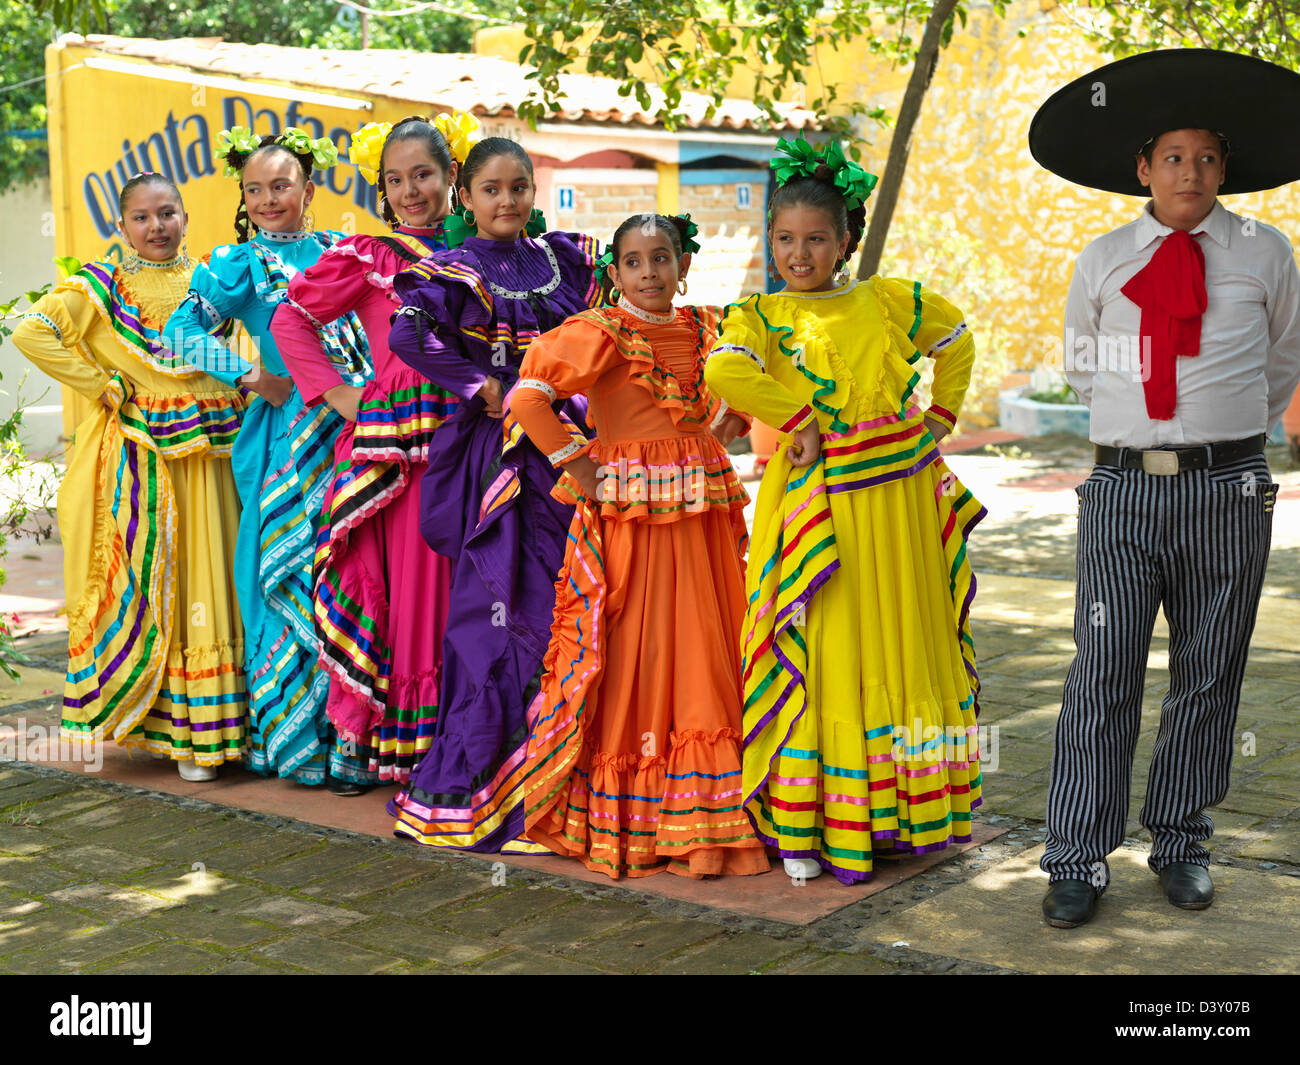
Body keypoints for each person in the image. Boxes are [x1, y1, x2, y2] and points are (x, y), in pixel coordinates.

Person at [1028, 49, 1300, 927]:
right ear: (1143, 168)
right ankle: (1076, 855)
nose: (1192, 171)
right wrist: (1147, 432)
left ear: (1228, 169)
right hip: (1120, 494)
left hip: (1228, 491)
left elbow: (1282, 361)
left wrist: (1222, 440)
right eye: (1174, 157)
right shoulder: (1105, 257)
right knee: (1102, 670)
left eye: (1209, 157)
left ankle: (1180, 840)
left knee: (1209, 670)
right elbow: (1079, 365)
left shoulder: (1267, 253)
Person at [704, 136, 985, 886]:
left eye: (817, 240)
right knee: (825, 647)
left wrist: (941, 416)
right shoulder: (758, 314)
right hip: (816, 511)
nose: (800, 254)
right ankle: (811, 821)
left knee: (903, 638)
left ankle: (898, 814)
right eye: (787, 239)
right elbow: (724, 368)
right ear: (771, 241)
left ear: (846, 241)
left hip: (899, 504)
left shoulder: (884, 299)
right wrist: (796, 419)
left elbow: (956, 338)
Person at [512, 212, 770, 879]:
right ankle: (642, 809)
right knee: (636, 643)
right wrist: (579, 465)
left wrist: (730, 418)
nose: (650, 272)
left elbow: (731, 416)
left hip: (701, 518)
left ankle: (708, 811)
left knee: (708, 641)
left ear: (684, 265)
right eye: (634, 260)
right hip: (630, 520)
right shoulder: (599, 333)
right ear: (614, 271)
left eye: (663, 257)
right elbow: (530, 397)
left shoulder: (711, 330)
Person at [387, 137, 602, 852]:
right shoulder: (458, 268)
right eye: (491, 189)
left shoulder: (563, 260)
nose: (506, 201)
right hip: (500, 458)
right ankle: (496, 784)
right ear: (466, 196)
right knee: (502, 607)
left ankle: (566, 776)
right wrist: (477, 383)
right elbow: (408, 332)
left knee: (572, 595)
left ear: (534, 190)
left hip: (568, 449)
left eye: (518, 187)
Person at [13, 173, 246, 781]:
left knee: (213, 574)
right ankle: (170, 731)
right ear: (122, 228)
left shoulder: (215, 278)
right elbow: (29, 331)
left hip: (217, 447)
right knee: (153, 578)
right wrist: (102, 384)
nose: (157, 227)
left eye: (167, 213)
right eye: (141, 218)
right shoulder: (101, 287)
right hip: (143, 458)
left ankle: (213, 730)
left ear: (187, 217)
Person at [271, 114, 478, 792]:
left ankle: (475, 733)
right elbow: (290, 318)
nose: (408, 191)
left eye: (422, 174)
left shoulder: (488, 248)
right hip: (400, 449)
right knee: (412, 588)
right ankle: (406, 743)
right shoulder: (372, 253)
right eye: (394, 180)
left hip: (476, 435)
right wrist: (337, 395)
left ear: (453, 175)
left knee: (474, 582)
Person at [162, 127, 372, 788]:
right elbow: (180, 329)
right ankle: (292, 739)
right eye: (254, 188)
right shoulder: (239, 263)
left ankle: (351, 738)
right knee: (284, 575)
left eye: (280, 185)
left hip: (351, 427)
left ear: (309, 189)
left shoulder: (345, 250)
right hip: (286, 439)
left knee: (347, 572)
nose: (267, 198)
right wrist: (250, 377)